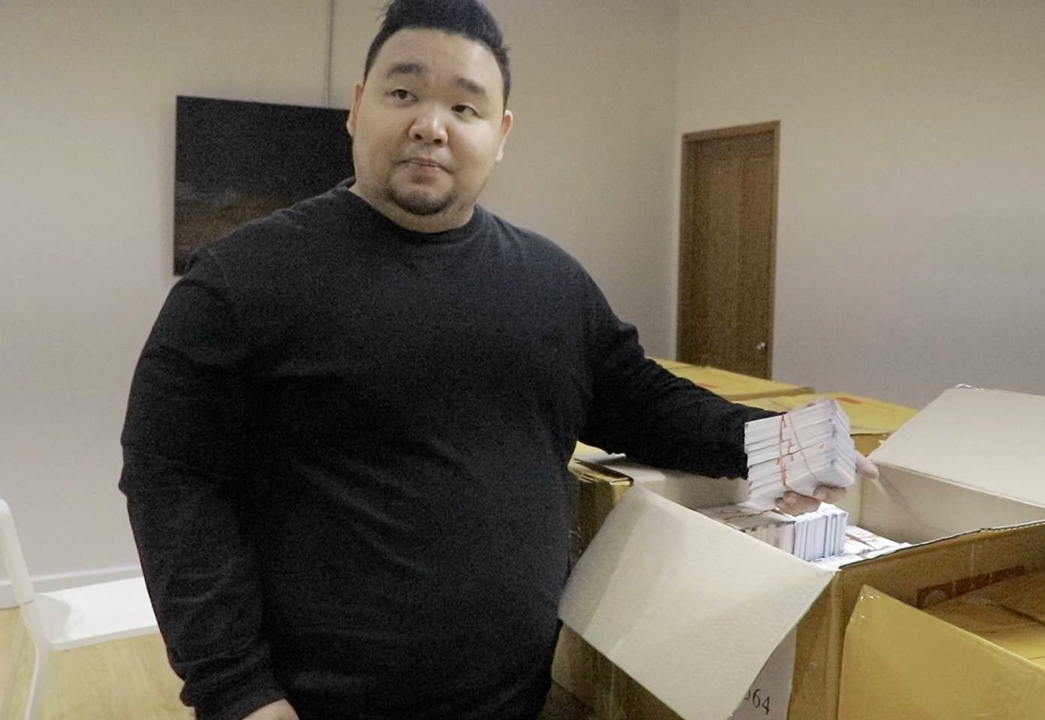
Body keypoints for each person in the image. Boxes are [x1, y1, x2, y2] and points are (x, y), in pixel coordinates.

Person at [119, 2, 865, 719]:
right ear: (357, 107)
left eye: (465, 107)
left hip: (515, 700)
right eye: (404, 93)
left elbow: (643, 403)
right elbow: (170, 478)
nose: (431, 125)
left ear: (500, 133)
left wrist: (779, 444)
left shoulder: (551, 286)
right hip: (311, 705)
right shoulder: (243, 281)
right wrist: (236, 690)